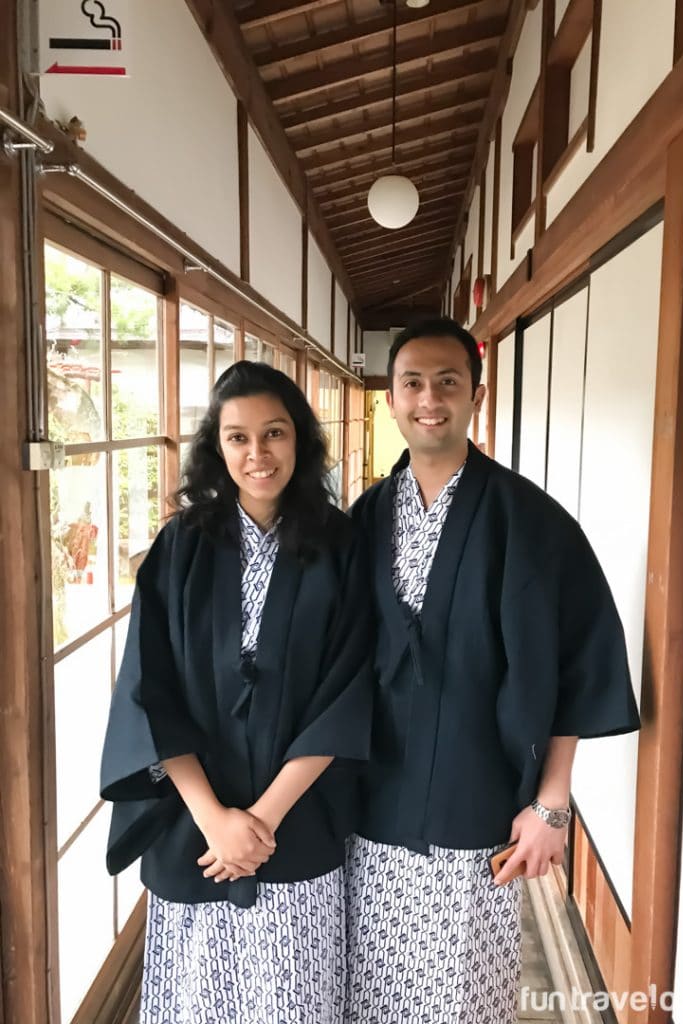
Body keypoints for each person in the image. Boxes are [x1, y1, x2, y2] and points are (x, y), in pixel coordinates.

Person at [345, 317, 640, 1024]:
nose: (429, 399)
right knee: (370, 993)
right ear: (391, 399)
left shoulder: (530, 521)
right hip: (368, 807)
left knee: (459, 997)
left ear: (476, 394)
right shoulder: (362, 519)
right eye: (412, 383)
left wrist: (551, 806)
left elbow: (579, 662)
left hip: (475, 805)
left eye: (448, 382)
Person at [100, 361, 372, 1024]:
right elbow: (148, 689)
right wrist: (218, 823)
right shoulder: (180, 547)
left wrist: (263, 821)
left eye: (274, 434)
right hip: (194, 824)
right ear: (216, 447)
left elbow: (349, 686)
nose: (258, 454)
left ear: (300, 440)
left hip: (297, 820)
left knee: (297, 999)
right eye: (238, 437)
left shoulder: (340, 545)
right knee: (199, 1000)